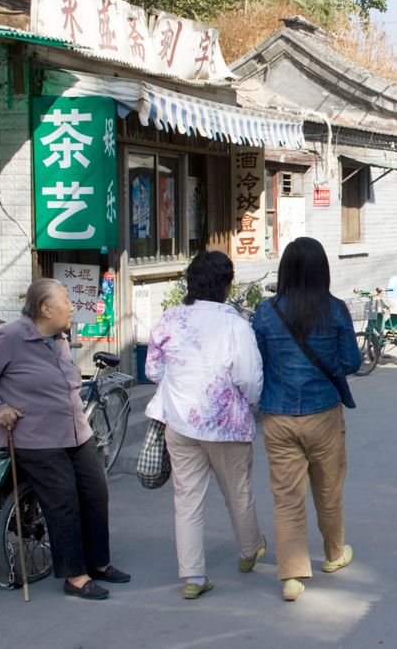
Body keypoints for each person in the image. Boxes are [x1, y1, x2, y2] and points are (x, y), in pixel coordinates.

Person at [0, 278, 129, 601]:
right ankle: (75, 575)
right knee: (63, 499)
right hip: (35, 437)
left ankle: (98, 562)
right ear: (45, 308)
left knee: (95, 492)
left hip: (74, 430)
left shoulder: (58, 338)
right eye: (66, 300)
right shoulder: (12, 337)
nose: (72, 307)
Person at [144, 251, 265, 600]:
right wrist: (253, 404)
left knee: (187, 500)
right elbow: (248, 378)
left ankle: (193, 577)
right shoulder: (235, 324)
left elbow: (152, 372)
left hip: (179, 423)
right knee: (237, 492)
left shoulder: (169, 319)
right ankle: (248, 552)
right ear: (227, 284)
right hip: (227, 426)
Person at [253, 237, 361, 602]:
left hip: (278, 417)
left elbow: (258, 363)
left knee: (287, 498)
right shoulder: (336, 310)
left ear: (284, 271)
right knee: (328, 491)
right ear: (322, 270)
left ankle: (292, 576)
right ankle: (333, 554)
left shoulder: (266, 311)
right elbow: (351, 363)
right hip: (324, 415)